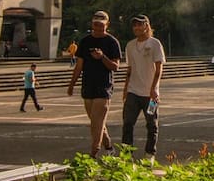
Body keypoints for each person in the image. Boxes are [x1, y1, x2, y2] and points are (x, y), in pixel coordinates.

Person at [67, 10, 122, 157]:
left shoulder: (112, 42)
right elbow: (79, 65)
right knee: (96, 121)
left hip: (104, 87)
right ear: (92, 24)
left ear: (107, 25)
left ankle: (94, 151)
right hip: (87, 85)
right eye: (96, 25)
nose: (98, 28)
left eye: (101, 25)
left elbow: (116, 66)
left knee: (96, 122)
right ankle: (109, 146)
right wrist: (72, 84)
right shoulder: (85, 41)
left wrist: (102, 57)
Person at [122, 14, 165, 159]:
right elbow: (129, 69)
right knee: (128, 123)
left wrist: (154, 88)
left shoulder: (155, 44)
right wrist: (125, 89)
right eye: (134, 25)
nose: (137, 27)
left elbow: (159, 69)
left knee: (152, 124)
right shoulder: (130, 45)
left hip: (151, 94)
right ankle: (127, 154)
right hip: (133, 91)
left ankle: (149, 153)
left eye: (140, 24)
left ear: (147, 26)